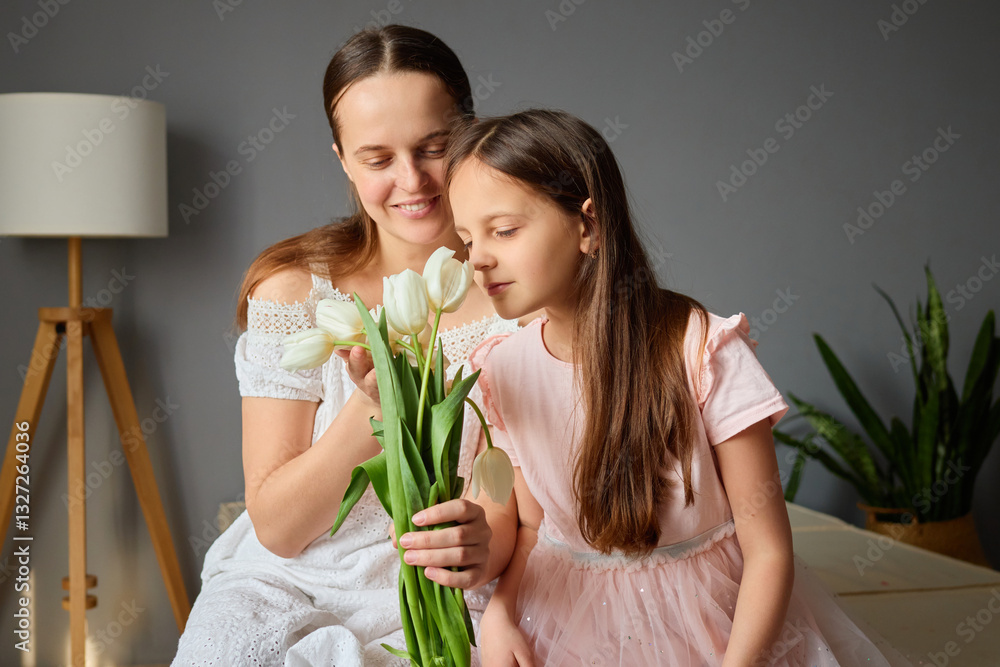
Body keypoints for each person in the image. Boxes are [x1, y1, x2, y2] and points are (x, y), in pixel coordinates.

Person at [445, 109, 915, 666]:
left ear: (588, 225)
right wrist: (500, 613)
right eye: (467, 239)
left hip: (715, 627)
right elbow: (531, 524)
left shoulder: (699, 349)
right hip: (566, 623)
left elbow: (767, 551)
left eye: (504, 230)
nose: (479, 259)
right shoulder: (501, 369)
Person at [172, 26, 522, 667]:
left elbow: (542, 501)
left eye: (433, 147)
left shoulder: (521, 296)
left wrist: (491, 561)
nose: (412, 180)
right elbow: (279, 528)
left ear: (471, 138)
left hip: (461, 597)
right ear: (342, 159)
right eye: (377, 158)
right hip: (292, 587)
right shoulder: (298, 294)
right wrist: (378, 408)